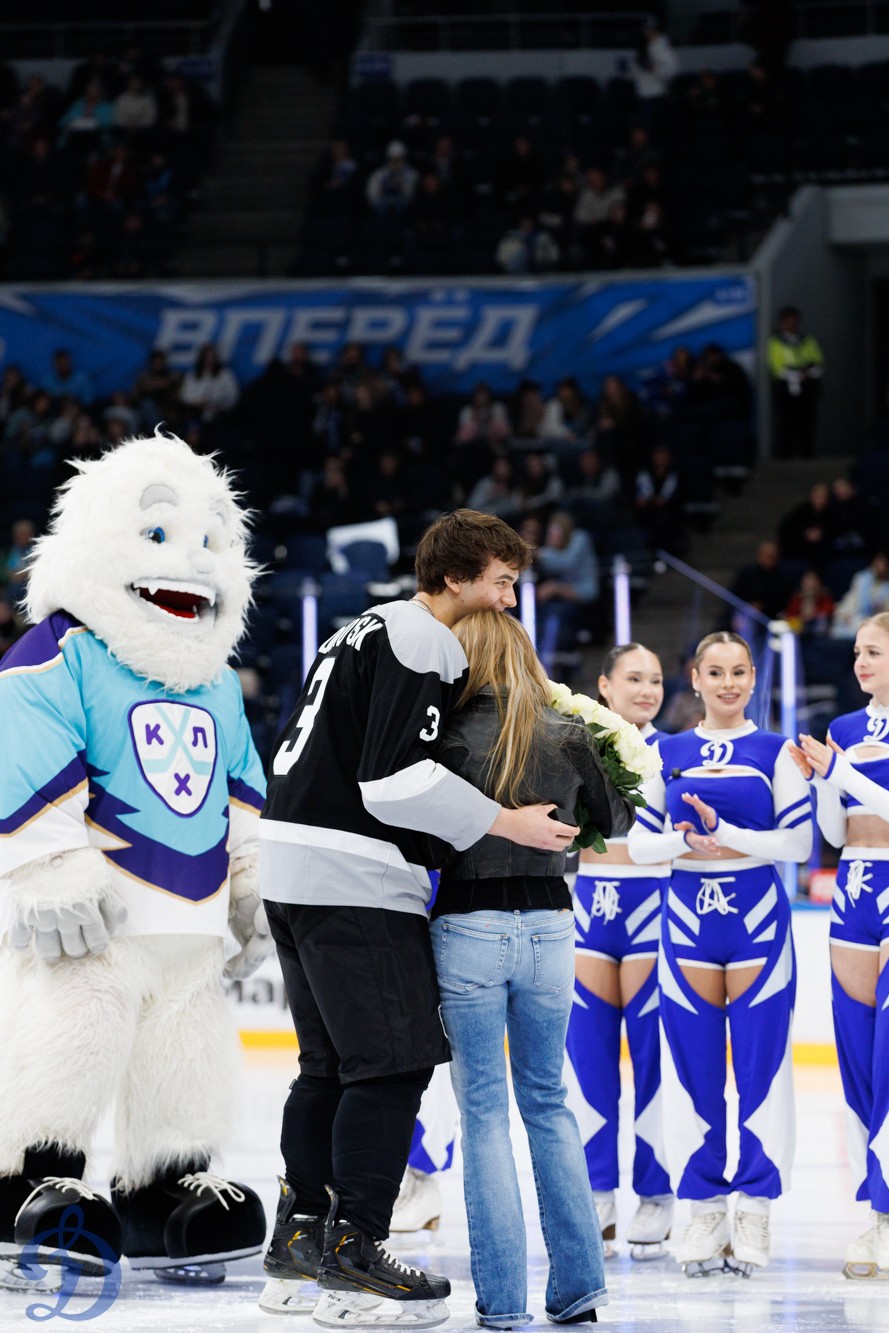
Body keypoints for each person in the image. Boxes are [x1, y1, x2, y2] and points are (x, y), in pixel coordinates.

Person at [257, 509, 580, 1325]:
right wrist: (507, 822)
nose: (509, 601)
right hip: (352, 875)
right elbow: (392, 780)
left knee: (327, 1064)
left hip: (290, 865)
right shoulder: (422, 637)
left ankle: (299, 1239)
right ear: (456, 576)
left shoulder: (356, 628)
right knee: (391, 1064)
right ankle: (356, 1248)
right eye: (502, 582)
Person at [431, 611, 635, 1326]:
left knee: (484, 1113)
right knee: (548, 1103)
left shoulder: (446, 736)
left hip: (467, 923)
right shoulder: (567, 730)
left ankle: (502, 1301)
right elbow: (616, 820)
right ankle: (579, 1287)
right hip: (550, 925)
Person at [627, 631, 811, 1276]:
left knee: (764, 1069)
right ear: (696, 678)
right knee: (691, 1071)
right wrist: (685, 842)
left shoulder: (776, 750)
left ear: (754, 678)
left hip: (758, 921)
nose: (727, 683)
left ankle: (755, 1206)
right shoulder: (666, 752)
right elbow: (639, 846)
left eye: (738, 672)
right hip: (686, 923)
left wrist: (723, 832)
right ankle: (703, 1204)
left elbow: (798, 845)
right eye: (715, 672)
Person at [565, 644, 674, 1262]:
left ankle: (656, 1193)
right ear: (604, 686)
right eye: (634, 678)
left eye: (655, 680)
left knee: (652, 1056)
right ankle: (598, 1192)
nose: (647, 689)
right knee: (590, 1060)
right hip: (590, 907)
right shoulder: (574, 746)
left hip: (653, 907)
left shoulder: (675, 753)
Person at [790, 613, 889, 1278]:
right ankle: (877, 1213)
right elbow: (832, 829)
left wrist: (842, 772)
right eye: (857, 651)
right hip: (852, 887)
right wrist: (821, 779)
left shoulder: (846, 749)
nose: (860, 662)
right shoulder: (845, 729)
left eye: (873, 651)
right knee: (856, 1056)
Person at [767, 306, 825, 458]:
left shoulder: (807, 340)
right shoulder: (776, 342)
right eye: (787, 322)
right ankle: (784, 459)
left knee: (808, 423)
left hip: (807, 387)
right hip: (787, 388)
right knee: (786, 423)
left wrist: (808, 372)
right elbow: (776, 368)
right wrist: (797, 374)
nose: (791, 326)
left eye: (794, 322)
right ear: (782, 323)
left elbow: (818, 362)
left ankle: (807, 456)